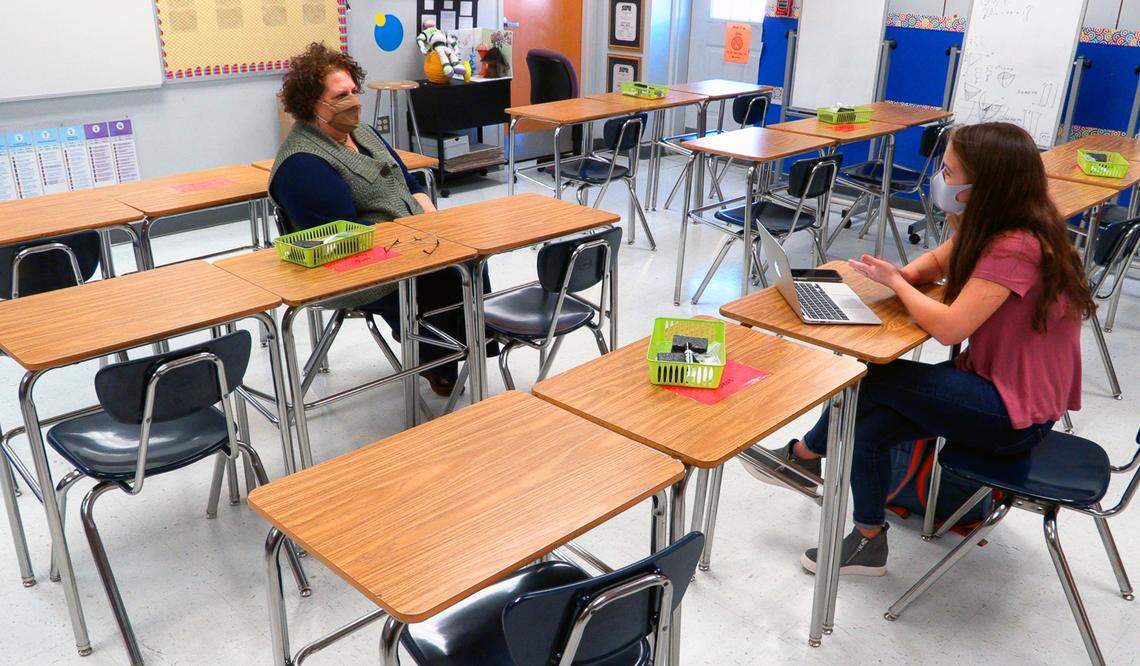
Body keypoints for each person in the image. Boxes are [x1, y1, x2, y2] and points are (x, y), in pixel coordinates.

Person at [747, 122, 1095, 575]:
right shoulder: (999, 224)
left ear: (982, 187)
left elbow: (950, 329)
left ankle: (804, 457)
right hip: (998, 390)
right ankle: (867, 538)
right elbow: (936, 262)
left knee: (867, 381)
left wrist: (895, 282)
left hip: (1014, 414)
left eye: (949, 173)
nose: (939, 179)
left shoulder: (1016, 245)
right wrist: (907, 277)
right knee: (867, 427)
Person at [270, 43, 492, 396]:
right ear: (313, 105)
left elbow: (410, 181)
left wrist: (435, 226)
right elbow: (345, 241)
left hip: (408, 243)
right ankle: (443, 360)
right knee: (449, 275)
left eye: (354, 91)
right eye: (341, 95)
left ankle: (470, 345)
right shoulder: (302, 164)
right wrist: (417, 244)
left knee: (470, 255)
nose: (354, 101)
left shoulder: (362, 133)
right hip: (358, 269)